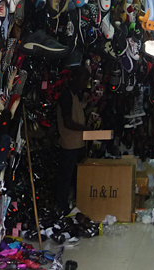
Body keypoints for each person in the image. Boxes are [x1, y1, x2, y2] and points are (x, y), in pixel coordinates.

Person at [56, 66, 91, 215]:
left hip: (78, 143)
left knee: (75, 177)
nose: (85, 83)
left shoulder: (75, 95)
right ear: (76, 78)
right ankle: (62, 206)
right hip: (69, 144)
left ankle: (74, 203)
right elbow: (68, 122)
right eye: (84, 80)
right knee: (65, 177)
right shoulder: (66, 96)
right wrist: (86, 129)